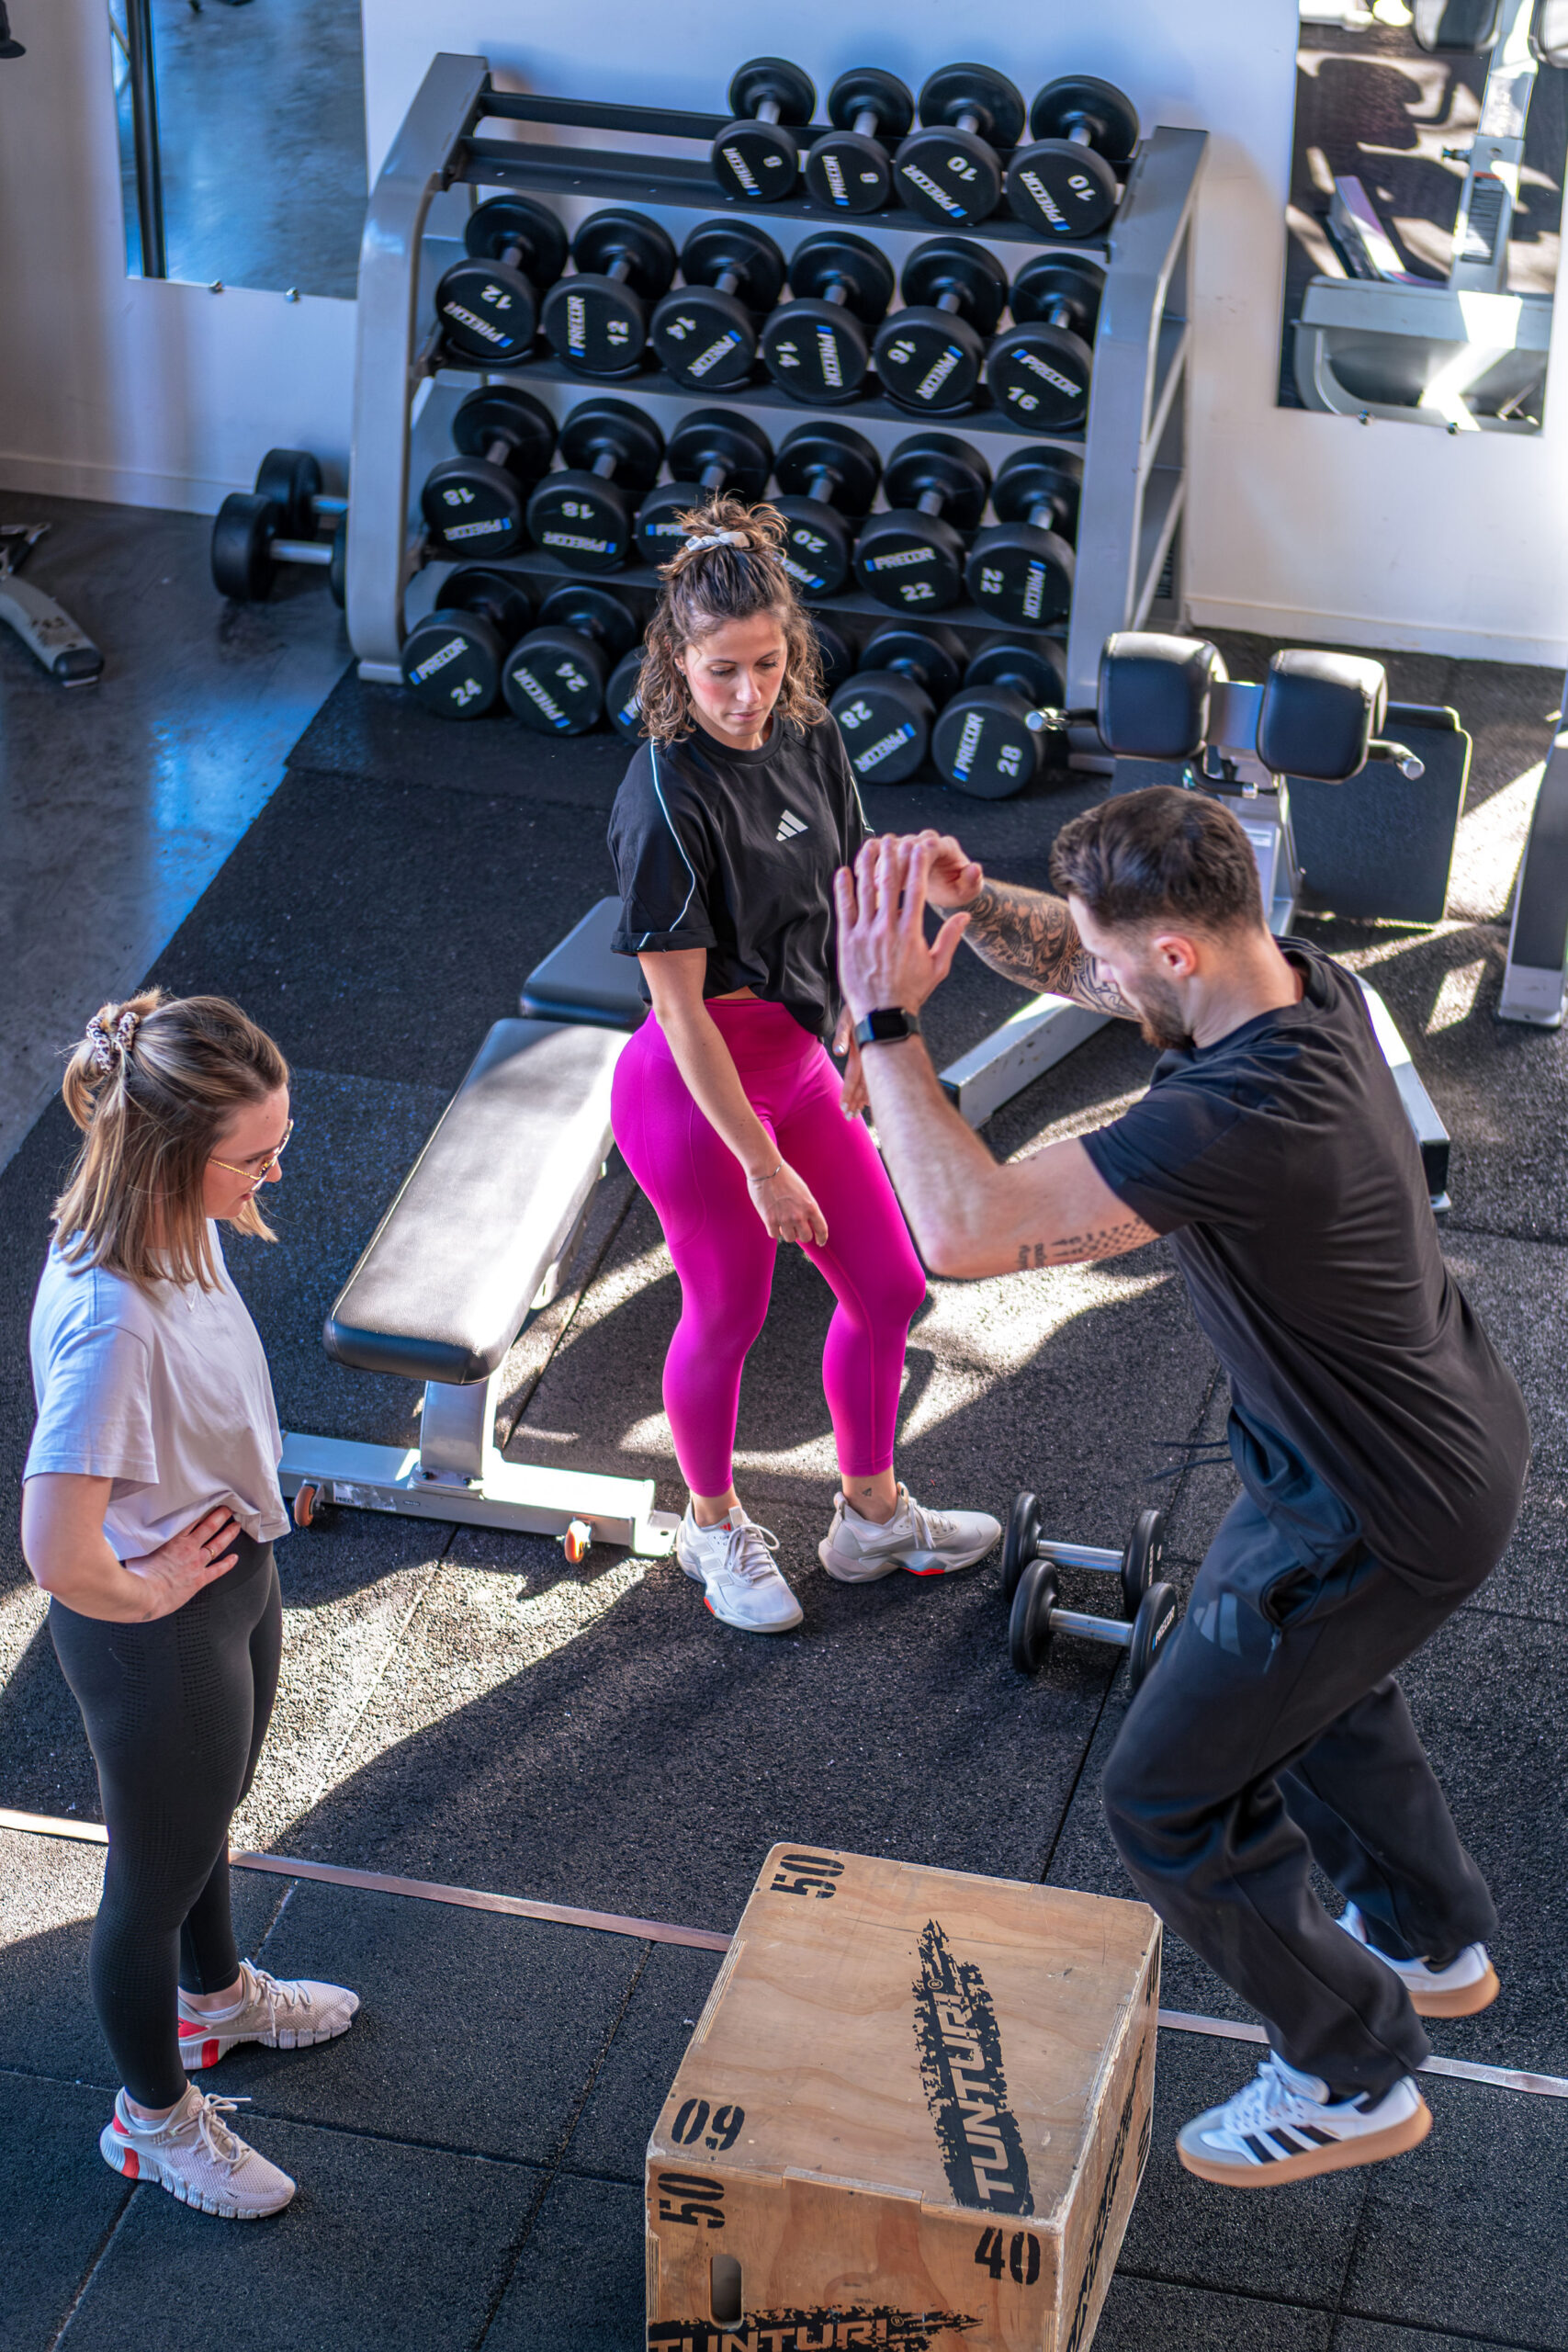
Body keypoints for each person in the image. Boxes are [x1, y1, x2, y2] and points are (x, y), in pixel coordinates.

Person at [832, 795, 1528, 2187]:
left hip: (1364, 1511)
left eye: (1107, 948)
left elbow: (963, 1234)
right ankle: (1427, 1935)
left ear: (1177, 956)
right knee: (1320, 1695)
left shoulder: (1234, 1113)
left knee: (1162, 1800)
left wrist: (883, 1021)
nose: (1089, 969)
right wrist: (975, 910)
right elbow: (1107, 972)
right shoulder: (1291, 983)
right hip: (1417, 1446)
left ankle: (1351, 2067)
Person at [606, 497, 999, 1634]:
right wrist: (765, 1163)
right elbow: (678, 1014)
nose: (747, 694)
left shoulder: (812, 735)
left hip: (797, 1058)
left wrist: (866, 1031)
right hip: (698, 1093)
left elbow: (843, 889)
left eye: (767, 664)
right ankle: (712, 1523)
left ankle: (871, 1515)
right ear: (680, 661)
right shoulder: (664, 794)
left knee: (890, 1287)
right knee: (727, 1309)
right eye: (722, 672)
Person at [21, 990, 359, 2222]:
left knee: (208, 1818)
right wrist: (152, 1583)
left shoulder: (174, 1213)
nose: (277, 1168)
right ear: (172, 1153)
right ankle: (151, 2124)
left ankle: (217, 2002)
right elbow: (54, 1548)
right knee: (148, 1885)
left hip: (223, 1572)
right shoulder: (111, 1315)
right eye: (254, 1154)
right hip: (154, 1630)